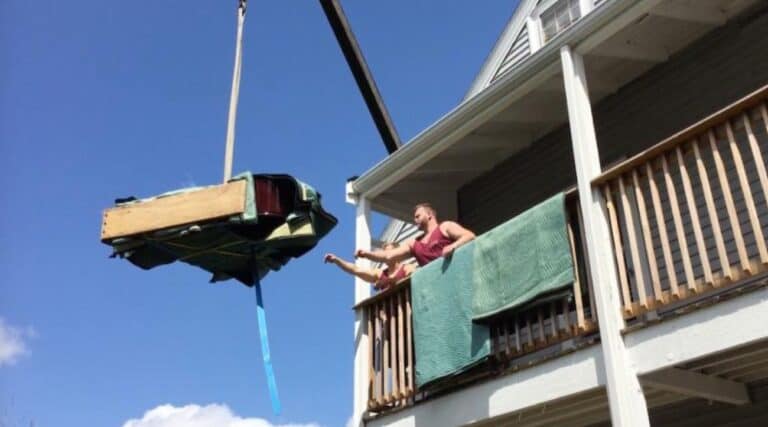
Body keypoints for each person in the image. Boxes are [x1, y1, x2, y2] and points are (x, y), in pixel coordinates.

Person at [355, 203, 476, 267]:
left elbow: (469, 236)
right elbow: (389, 256)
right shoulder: (414, 244)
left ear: (429, 215)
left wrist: (452, 247)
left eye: (418, 216)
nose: (415, 219)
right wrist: (367, 254)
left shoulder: (445, 227)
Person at [324, 242, 415, 291]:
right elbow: (356, 270)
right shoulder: (380, 273)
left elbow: (415, 282)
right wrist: (336, 260)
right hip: (389, 318)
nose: (386, 255)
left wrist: (388, 281)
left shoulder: (407, 268)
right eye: (384, 253)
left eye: (389, 252)